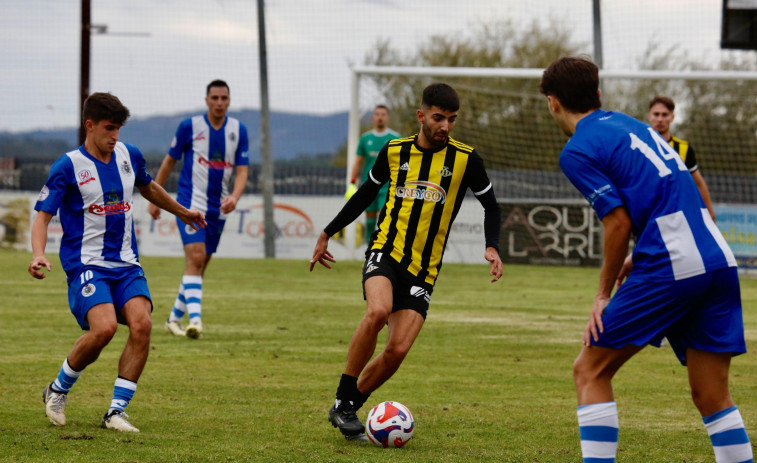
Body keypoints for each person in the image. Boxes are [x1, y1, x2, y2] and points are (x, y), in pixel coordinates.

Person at [540, 56, 750, 463]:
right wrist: (643, 249)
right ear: (598, 94)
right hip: (717, 256)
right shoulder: (634, 124)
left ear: (552, 102)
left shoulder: (577, 150)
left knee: (590, 370)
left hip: (673, 262)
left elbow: (616, 222)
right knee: (712, 396)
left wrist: (602, 294)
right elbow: (676, 186)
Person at [310, 83, 503, 442]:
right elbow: (365, 195)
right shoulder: (394, 151)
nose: (445, 126)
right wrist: (327, 232)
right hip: (385, 251)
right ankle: (343, 397)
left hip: (424, 270)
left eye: (452, 120)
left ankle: (347, 406)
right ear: (421, 116)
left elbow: (491, 205)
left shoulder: (465, 160)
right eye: (438, 118)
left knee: (397, 351)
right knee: (377, 312)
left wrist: (491, 245)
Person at [30, 92, 206, 432]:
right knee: (105, 328)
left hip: (126, 264)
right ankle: (57, 389)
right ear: (90, 125)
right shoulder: (67, 166)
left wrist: (182, 212)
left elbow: (149, 187)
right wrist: (39, 254)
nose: (115, 137)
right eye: (109, 129)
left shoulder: (129, 155)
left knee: (142, 325)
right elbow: (42, 217)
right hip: (87, 265)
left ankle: (115, 412)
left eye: (119, 130)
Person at [148, 79, 249, 339]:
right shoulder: (189, 127)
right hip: (190, 206)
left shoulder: (238, 130)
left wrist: (235, 197)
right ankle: (196, 322)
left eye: (223, 98)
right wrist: (154, 197)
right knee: (195, 259)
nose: (219, 103)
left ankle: (172, 320)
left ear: (229, 100)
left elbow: (242, 171)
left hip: (218, 210)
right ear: (206, 100)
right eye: (214, 98)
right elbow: (169, 162)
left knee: (199, 266)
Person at [648, 95, 716, 221]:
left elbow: (699, 183)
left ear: (672, 117)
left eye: (665, 115)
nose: (660, 119)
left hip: (678, 215)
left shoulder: (683, 148)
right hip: (648, 214)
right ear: (649, 116)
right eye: (656, 114)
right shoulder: (640, 146)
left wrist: (709, 212)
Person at [346, 105, 400, 246]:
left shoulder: (395, 138)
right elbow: (358, 162)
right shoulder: (365, 138)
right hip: (369, 184)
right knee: (370, 220)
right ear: (373, 118)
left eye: (383, 114)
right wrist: (352, 183)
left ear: (387, 118)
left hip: (388, 186)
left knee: (384, 217)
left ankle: (383, 251)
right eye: (377, 114)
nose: (380, 117)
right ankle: (369, 250)